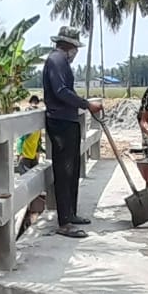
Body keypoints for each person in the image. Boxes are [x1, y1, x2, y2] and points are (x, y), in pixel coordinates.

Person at [41, 26, 104, 238]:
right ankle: (64, 222)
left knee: (73, 169)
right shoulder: (57, 60)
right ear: (68, 45)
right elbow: (61, 92)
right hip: (60, 122)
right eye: (75, 48)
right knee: (64, 171)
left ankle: (71, 213)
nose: (75, 52)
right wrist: (86, 104)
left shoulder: (61, 61)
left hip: (69, 120)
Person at [16, 95, 44, 174]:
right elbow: (21, 139)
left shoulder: (37, 127)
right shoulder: (32, 126)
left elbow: (38, 141)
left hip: (32, 155)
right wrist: (19, 153)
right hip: (26, 155)